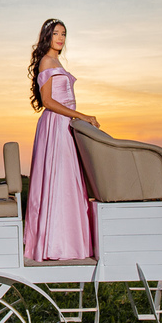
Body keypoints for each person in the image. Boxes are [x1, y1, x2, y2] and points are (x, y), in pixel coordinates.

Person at [23, 18, 99, 262]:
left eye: (64, 34)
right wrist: (82, 115)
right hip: (55, 124)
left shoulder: (56, 61)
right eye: (56, 33)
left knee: (67, 181)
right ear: (47, 36)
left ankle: (69, 244)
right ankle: (53, 245)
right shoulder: (47, 61)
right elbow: (48, 101)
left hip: (63, 123)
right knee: (58, 180)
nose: (61, 38)